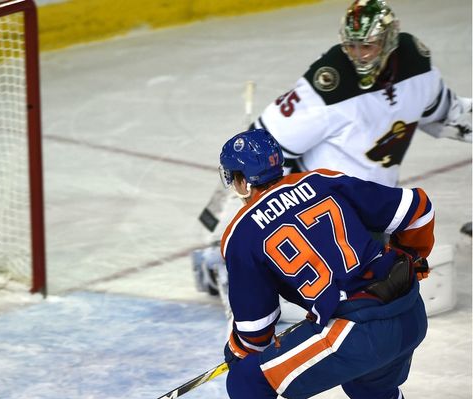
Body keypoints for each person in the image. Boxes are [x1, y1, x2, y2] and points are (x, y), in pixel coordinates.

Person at [192, 0, 470, 316]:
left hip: (373, 204)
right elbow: (254, 155)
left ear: (390, 41)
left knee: (387, 296)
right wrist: (226, 236)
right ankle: (221, 263)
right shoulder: (325, 88)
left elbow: (450, 116)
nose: (358, 54)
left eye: (367, 45)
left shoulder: (416, 69)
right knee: (362, 303)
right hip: (324, 212)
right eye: (351, 46)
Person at [205, 128, 434, 399]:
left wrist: (238, 354)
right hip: (409, 312)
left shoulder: (242, 233)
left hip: (356, 333)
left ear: (239, 181)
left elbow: (256, 328)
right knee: (369, 382)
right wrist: (413, 259)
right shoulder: (324, 180)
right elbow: (418, 208)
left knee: (249, 380)